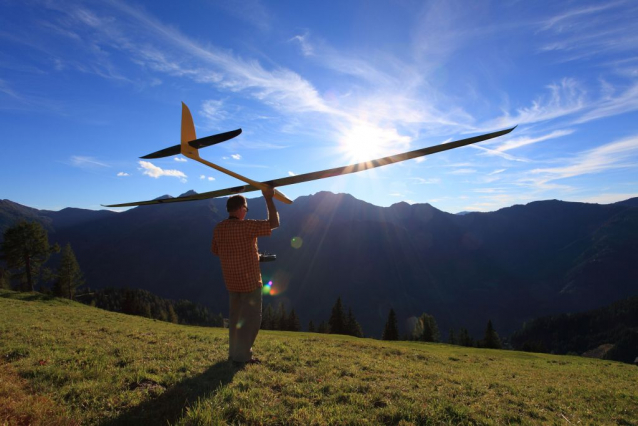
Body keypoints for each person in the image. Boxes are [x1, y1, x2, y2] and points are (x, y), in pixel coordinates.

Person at [211, 186, 279, 365]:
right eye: (246, 209)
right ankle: (242, 358)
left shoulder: (218, 228)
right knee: (250, 321)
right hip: (249, 283)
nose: (246, 212)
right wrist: (268, 198)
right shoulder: (247, 227)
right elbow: (274, 223)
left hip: (231, 282)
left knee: (235, 320)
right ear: (241, 209)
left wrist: (253, 256)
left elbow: (217, 251)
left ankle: (234, 354)